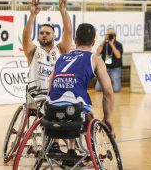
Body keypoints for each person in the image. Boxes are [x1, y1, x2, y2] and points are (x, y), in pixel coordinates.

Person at [47, 23, 115, 154]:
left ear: (75, 40)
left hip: (51, 110)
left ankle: (63, 146)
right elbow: (108, 91)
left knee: (71, 105)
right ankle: (83, 151)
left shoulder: (62, 58)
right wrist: (108, 118)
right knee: (83, 110)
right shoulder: (95, 60)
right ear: (94, 42)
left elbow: (51, 81)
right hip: (75, 113)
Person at [23, 0, 72, 95]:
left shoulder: (61, 49)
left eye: (47, 33)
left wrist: (63, 10)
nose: (44, 35)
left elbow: (69, 31)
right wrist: (32, 15)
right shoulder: (33, 51)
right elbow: (26, 37)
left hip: (57, 93)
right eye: (41, 33)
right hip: (36, 95)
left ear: (54, 36)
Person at [95, 27, 123, 93]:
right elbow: (97, 52)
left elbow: (118, 56)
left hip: (115, 68)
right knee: (98, 88)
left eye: (111, 34)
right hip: (105, 68)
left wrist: (112, 44)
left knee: (116, 89)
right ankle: (107, 85)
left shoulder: (118, 44)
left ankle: (108, 86)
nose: (110, 35)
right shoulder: (104, 44)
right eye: (108, 34)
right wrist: (104, 40)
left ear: (115, 35)